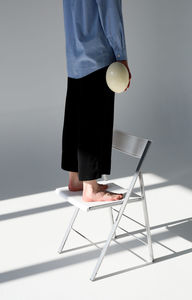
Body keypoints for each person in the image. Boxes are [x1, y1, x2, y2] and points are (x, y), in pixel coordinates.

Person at [61, 0, 132, 202]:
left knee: (76, 115)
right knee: (93, 120)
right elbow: (110, 14)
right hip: (98, 55)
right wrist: (121, 56)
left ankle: (76, 178)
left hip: (75, 55)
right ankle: (90, 188)